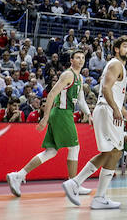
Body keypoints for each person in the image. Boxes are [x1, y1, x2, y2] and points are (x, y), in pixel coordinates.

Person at [61, 36, 127, 209]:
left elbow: (113, 93)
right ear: (117, 49)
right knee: (114, 151)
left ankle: (87, 190)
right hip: (107, 110)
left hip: (108, 109)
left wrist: (124, 112)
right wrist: (117, 110)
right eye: (125, 46)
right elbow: (104, 89)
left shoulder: (119, 66)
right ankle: (84, 188)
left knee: (112, 152)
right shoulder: (115, 64)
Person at [5, 50, 94, 197]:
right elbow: (52, 94)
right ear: (71, 60)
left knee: (51, 151)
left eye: (83, 57)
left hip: (63, 114)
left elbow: (81, 99)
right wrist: (45, 117)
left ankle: (18, 175)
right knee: (75, 147)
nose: (81, 59)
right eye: (77, 57)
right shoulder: (68, 75)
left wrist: (89, 114)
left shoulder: (80, 78)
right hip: (61, 113)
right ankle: (73, 184)